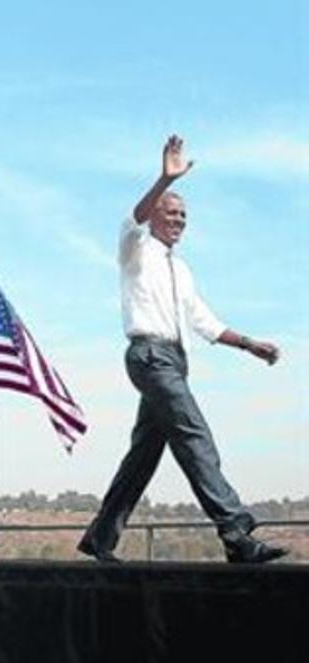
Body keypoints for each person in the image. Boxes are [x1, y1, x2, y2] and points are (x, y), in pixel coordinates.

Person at [78, 135, 288, 565]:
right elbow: (132, 218)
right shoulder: (135, 248)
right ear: (155, 215)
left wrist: (250, 345)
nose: (179, 220)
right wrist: (164, 179)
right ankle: (235, 532)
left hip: (175, 360)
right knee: (195, 437)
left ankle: (100, 538)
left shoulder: (182, 269)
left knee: (143, 457)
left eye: (184, 215)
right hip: (149, 356)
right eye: (171, 213)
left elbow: (204, 321)